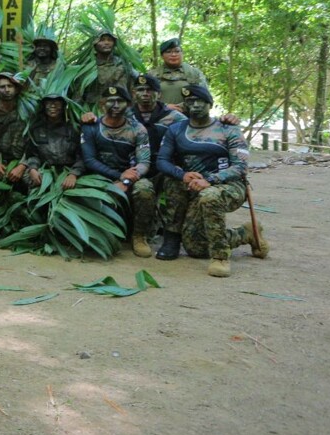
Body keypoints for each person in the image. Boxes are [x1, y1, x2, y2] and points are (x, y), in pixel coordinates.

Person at [155, 84, 269, 276]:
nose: (196, 105)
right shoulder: (175, 130)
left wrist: (211, 179)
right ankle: (245, 233)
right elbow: (162, 161)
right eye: (190, 102)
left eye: (201, 101)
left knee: (209, 196)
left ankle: (220, 257)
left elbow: (240, 167)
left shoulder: (228, 129)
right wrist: (183, 175)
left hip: (228, 185)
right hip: (193, 186)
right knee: (196, 248)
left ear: (210, 104)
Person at [81, 85, 152, 256]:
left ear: (128, 104)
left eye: (120, 101)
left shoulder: (137, 129)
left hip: (130, 177)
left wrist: (126, 180)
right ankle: (97, 233)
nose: (115, 105)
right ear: (101, 104)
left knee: (145, 189)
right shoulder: (91, 127)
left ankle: (139, 236)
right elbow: (89, 160)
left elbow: (144, 162)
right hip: (100, 176)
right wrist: (118, 177)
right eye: (110, 101)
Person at [18, 89, 84, 191]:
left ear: (63, 107)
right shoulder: (36, 129)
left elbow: (83, 156)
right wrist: (33, 168)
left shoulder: (74, 129)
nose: (53, 106)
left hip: (69, 171)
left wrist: (74, 174)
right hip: (46, 170)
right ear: (44, 107)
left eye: (57, 103)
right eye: (49, 103)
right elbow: (32, 154)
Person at [0, 72, 28, 181]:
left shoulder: (26, 114)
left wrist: (22, 166)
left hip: (21, 162)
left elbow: (33, 144)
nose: (7, 90)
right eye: (2, 87)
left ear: (16, 89)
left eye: (10, 86)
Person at [150, 38, 208, 110]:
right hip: (160, 117)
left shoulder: (195, 73)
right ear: (162, 56)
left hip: (189, 116)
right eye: (168, 52)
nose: (173, 54)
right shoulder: (152, 75)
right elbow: (144, 98)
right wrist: (164, 106)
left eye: (177, 51)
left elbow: (204, 97)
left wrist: (183, 106)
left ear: (182, 53)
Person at [80, 31, 135, 106]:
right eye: (102, 40)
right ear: (95, 44)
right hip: (95, 111)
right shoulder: (87, 68)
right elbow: (78, 95)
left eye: (110, 40)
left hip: (122, 109)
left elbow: (133, 90)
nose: (106, 43)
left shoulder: (123, 65)